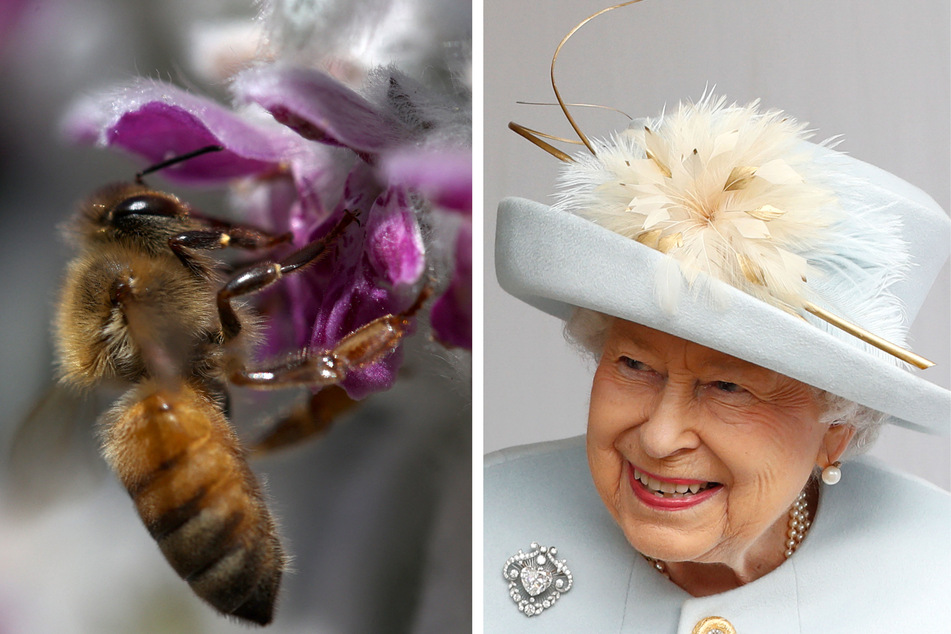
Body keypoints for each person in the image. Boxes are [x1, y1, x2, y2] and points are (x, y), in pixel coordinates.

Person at [485, 92, 950, 632]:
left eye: (728, 386)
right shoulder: (478, 520)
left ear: (838, 430)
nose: (660, 438)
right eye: (634, 364)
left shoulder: (936, 578)